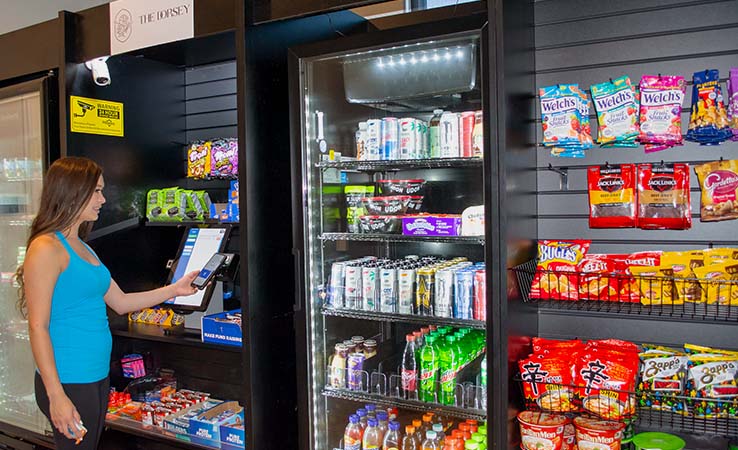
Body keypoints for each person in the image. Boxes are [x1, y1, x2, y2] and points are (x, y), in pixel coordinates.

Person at [15, 157, 199, 449]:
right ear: (74, 191)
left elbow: (121, 302)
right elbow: (38, 326)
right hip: (69, 380)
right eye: (97, 191)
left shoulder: (83, 247)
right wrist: (56, 395)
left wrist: (175, 289)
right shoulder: (46, 248)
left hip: (95, 376)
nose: (102, 199)